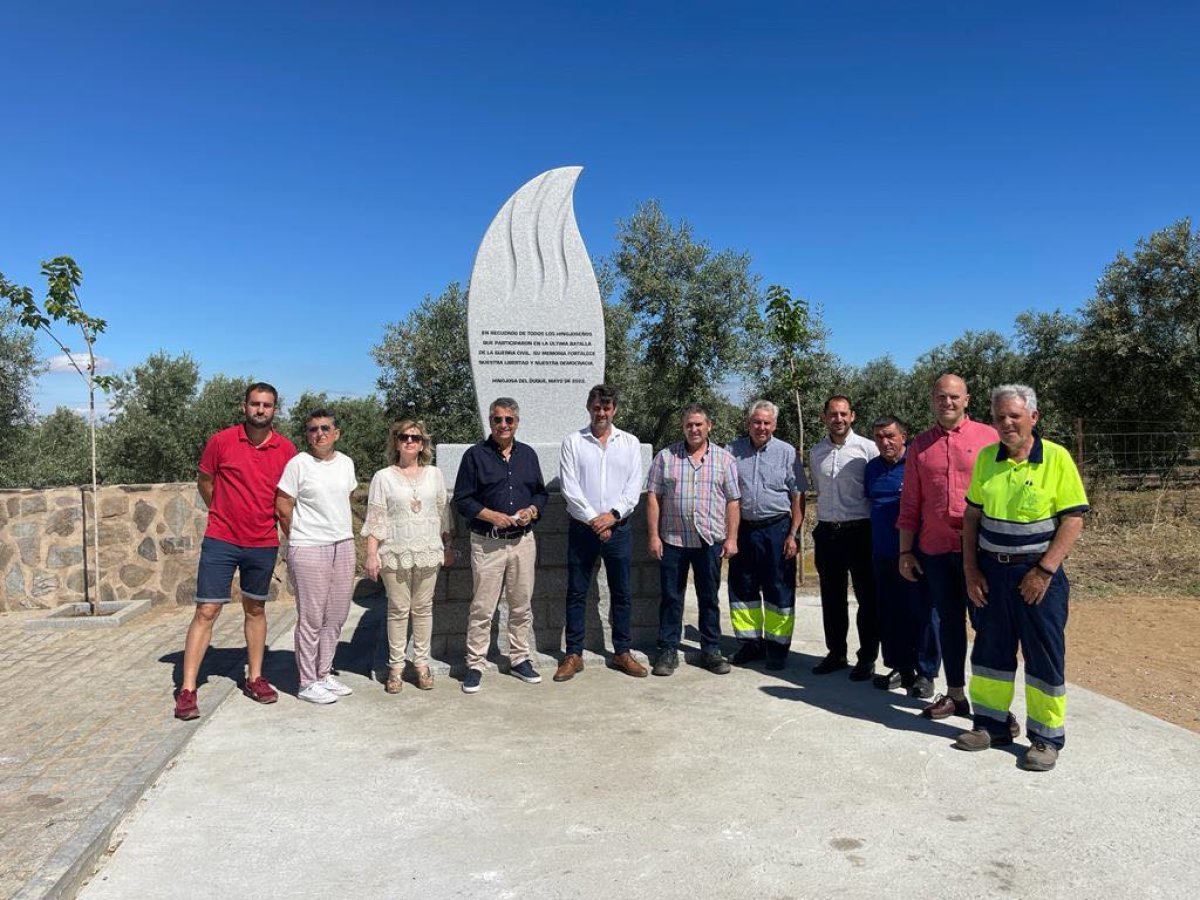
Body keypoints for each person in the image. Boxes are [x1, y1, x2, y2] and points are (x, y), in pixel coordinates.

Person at [953, 384, 1087, 772]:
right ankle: (990, 725)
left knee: (1043, 654)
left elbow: (1073, 520)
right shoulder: (986, 459)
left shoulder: (1056, 459)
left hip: (1037, 574)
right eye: (999, 417)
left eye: (1014, 415)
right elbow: (972, 516)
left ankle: (1045, 738)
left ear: (1033, 417)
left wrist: (1044, 570)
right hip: (991, 571)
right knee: (990, 650)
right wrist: (971, 568)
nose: (1007, 423)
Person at [174, 383, 297, 721]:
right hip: (222, 539)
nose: (261, 410)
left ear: (275, 409)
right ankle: (187, 689)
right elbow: (205, 481)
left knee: (255, 608)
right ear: (244, 407)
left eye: (267, 405)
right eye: (255, 404)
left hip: (262, 541)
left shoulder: (287, 449)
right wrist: (221, 512)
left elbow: (287, 497)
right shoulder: (221, 441)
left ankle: (255, 678)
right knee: (207, 610)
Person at [896, 374, 1000, 714]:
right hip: (936, 551)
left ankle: (993, 706)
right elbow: (911, 503)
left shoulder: (990, 438)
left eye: (954, 397)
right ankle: (955, 695)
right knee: (950, 626)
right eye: (941, 397)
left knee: (987, 628)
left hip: (983, 551)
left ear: (967, 399)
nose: (948, 403)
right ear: (933, 400)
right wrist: (905, 551)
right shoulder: (920, 447)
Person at [452, 398, 548, 694]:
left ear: (517, 422)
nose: (503, 425)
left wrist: (532, 511)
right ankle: (475, 664)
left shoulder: (528, 455)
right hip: (487, 543)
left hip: (522, 543)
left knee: (521, 605)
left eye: (508, 419)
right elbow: (463, 499)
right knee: (482, 607)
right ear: (490, 422)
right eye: (497, 420)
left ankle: (520, 658)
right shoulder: (474, 456)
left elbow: (541, 494)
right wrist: (490, 515)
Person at [555, 385, 648, 682]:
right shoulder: (572, 442)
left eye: (606, 408)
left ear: (614, 410)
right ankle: (573, 654)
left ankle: (622, 651)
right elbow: (570, 488)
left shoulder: (630, 443)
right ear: (588, 407)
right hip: (583, 529)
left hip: (619, 529)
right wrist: (595, 520)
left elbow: (634, 487)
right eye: (597, 407)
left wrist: (612, 517)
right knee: (577, 593)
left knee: (621, 593)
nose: (601, 413)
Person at [646, 403, 740, 676]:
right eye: (689, 424)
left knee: (709, 597)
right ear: (683, 427)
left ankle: (711, 650)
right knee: (671, 597)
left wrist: (732, 538)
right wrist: (653, 536)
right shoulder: (665, 457)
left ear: (709, 426)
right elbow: (653, 497)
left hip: (709, 541)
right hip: (674, 540)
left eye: (699, 424)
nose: (694, 429)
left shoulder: (724, 460)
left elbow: (734, 501)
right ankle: (667, 650)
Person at [362, 420, 453, 694]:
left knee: (423, 609)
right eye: (404, 437)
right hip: (395, 554)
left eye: (415, 437)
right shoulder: (383, 477)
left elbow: (443, 513)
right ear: (396, 442)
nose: (410, 441)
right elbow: (376, 517)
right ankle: (396, 668)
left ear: (423, 443)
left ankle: (422, 665)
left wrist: (448, 544)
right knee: (398, 610)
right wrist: (371, 554)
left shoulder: (434, 474)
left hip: (428, 551)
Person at [275, 409, 358, 705]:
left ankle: (324, 673)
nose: (319, 433)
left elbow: (342, 499)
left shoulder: (346, 463)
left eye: (325, 428)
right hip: (309, 546)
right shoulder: (299, 464)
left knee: (336, 615)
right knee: (311, 617)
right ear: (307, 435)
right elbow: (283, 505)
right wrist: (298, 535)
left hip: (343, 544)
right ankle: (307, 681)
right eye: (313, 429)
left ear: (336, 433)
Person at [726, 400, 807, 671]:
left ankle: (777, 648)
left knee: (778, 588)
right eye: (756, 422)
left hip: (777, 529)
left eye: (766, 422)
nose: (761, 427)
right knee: (743, 587)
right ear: (748, 423)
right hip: (743, 529)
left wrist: (793, 534)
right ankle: (750, 644)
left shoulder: (788, 453)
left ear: (774, 424)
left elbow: (798, 496)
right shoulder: (731, 451)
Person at [863, 416, 938, 694]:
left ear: (903, 436)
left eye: (890, 436)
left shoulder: (918, 464)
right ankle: (900, 667)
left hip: (916, 553)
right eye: (879, 437)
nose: (885, 442)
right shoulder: (871, 469)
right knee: (891, 612)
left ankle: (926, 673)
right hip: (883, 554)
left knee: (923, 613)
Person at [807, 396, 879, 679]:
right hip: (827, 533)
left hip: (860, 531)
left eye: (843, 414)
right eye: (832, 414)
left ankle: (867, 658)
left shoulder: (867, 449)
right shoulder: (816, 452)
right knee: (832, 597)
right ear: (824, 417)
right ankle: (836, 653)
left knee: (867, 598)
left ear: (852, 416)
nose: (838, 419)